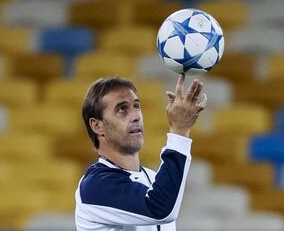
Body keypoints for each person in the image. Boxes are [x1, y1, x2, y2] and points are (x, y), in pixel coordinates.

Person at [75, 74, 207, 231]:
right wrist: (180, 130)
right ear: (97, 126)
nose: (136, 116)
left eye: (136, 106)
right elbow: (159, 209)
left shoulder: (152, 178)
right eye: (122, 109)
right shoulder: (94, 186)